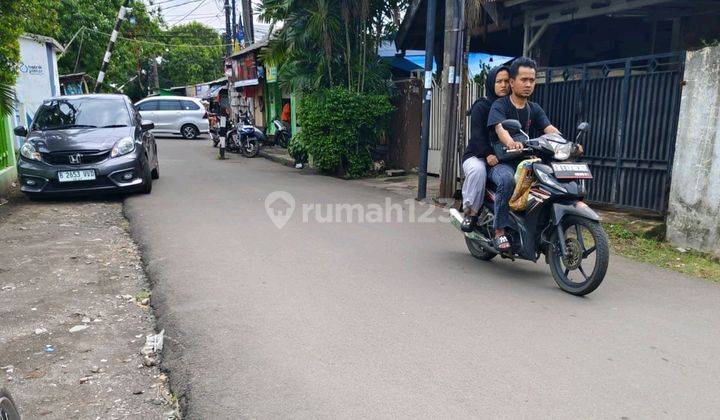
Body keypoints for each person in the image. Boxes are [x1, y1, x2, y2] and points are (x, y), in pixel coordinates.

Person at [486, 57, 560, 251]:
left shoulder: (534, 109)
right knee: (507, 181)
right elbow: (500, 128)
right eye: (524, 79)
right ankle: (500, 231)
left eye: (532, 80)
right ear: (512, 82)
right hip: (502, 162)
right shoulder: (500, 105)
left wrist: (566, 143)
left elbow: (549, 128)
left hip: (526, 162)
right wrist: (512, 143)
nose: (528, 84)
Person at [460, 65, 510, 232]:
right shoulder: (482, 106)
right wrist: (488, 153)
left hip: (504, 156)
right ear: (491, 83)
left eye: (506, 81)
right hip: (477, 155)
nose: (503, 85)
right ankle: (471, 213)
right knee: (478, 171)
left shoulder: (511, 106)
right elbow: (477, 136)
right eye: (498, 81)